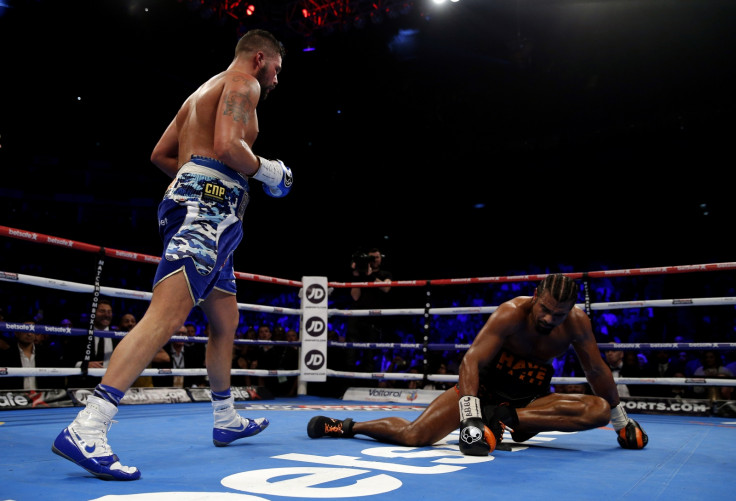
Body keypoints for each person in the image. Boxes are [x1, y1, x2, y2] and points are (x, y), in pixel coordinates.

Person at [52, 29, 291, 481]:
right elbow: (226, 148)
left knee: (226, 319)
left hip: (204, 206)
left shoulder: (202, 91)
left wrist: (193, 180)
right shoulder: (245, 82)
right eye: (277, 68)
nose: (277, 79)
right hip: (208, 208)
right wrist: (270, 172)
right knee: (165, 317)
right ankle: (89, 425)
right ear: (260, 58)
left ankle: (225, 418)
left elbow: (161, 154)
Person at [307, 274, 648, 455]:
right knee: (414, 435)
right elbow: (471, 359)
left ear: (570, 310)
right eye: (544, 309)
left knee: (599, 409)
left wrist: (622, 423)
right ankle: (348, 426)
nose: (548, 317)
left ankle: (503, 421)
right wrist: (471, 416)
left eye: (557, 314)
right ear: (535, 298)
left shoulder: (575, 323)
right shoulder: (511, 313)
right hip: (480, 394)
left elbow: (596, 371)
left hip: (528, 406)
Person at [346, 248, 393, 372]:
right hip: (357, 316)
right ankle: (348, 385)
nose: (374, 260)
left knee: (370, 355)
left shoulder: (385, 274)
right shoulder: (359, 274)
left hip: (374, 319)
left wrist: (370, 275)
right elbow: (355, 296)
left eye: (376, 257)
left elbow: (386, 288)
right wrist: (356, 275)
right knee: (351, 352)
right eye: (371, 258)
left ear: (381, 258)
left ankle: (369, 385)